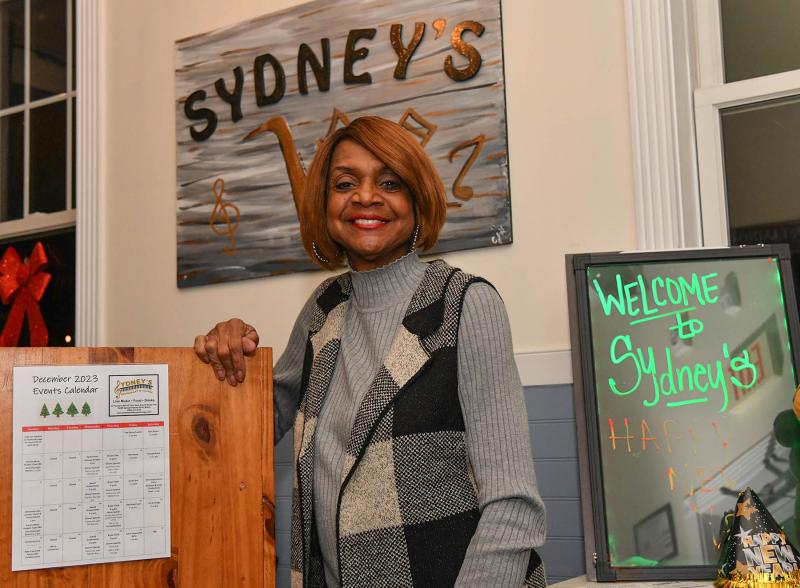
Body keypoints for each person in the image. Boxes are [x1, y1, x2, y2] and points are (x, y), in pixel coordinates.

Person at [194, 116, 546, 587]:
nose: (365, 196)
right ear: (325, 204)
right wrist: (228, 352)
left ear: (417, 200)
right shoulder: (323, 309)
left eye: (389, 182)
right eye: (345, 183)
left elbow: (512, 506)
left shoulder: (465, 304)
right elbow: (251, 425)